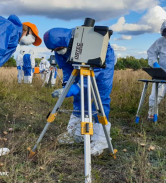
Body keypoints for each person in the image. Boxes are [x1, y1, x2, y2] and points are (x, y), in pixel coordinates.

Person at [0, 15, 41, 158]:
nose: (30, 43)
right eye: (33, 39)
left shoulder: (6, 29)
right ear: (27, 30)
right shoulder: (8, 28)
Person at [43, 27, 115, 156]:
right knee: (79, 96)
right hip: (79, 65)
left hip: (103, 65)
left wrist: (78, 86)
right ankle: (76, 133)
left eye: (59, 49)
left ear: (68, 41)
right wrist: (67, 85)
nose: (58, 52)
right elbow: (66, 68)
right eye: (54, 50)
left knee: (100, 98)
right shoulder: (60, 52)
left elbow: (96, 69)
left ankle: (101, 140)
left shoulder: (89, 41)